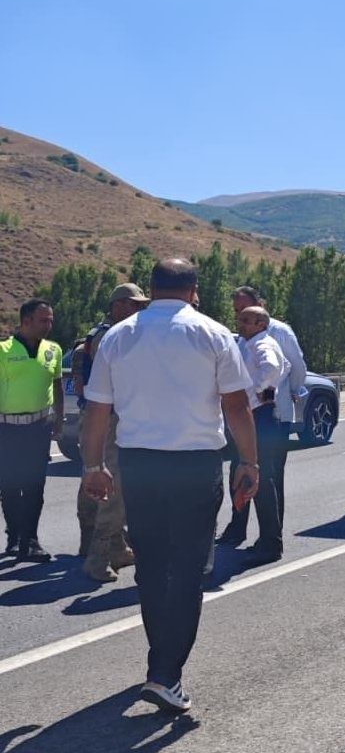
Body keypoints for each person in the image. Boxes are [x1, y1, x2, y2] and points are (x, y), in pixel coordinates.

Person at [82, 259, 258, 714]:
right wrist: (249, 462)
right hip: (195, 467)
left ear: (153, 290)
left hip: (139, 467)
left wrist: (93, 465)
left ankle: (161, 664)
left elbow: (97, 410)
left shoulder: (118, 337)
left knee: (152, 568)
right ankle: (165, 673)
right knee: (189, 571)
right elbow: (237, 407)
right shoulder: (214, 334)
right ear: (193, 290)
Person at [216, 285, 307, 547]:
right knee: (240, 470)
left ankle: (271, 537)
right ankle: (237, 528)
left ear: (260, 308)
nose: (239, 318)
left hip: (271, 413)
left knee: (268, 477)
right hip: (245, 418)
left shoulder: (277, 332)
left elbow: (295, 366)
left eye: (244, 311)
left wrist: (286, 391)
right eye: (236, 312)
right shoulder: (244, 337)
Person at [74, 283, 149, 582]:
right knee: (112, 487)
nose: (140, 310)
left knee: (94, 480)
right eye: (135, 304)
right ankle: (98, 556)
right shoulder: (113, 336)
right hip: (110, 419)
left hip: (101, 418)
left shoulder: (100, 333)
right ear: (118, 306)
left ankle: (111, 546)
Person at [0, 298, 64, 562]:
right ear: (26, 320)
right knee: (11, 485)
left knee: (36, 485)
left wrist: (59, 420)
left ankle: (32, 539)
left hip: (39, 428)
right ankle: (14, 538)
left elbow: (57, 385)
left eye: (50, 320)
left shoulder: (54, 350)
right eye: (43, 320)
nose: (49, 325)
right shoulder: (3, 350)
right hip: (7, 429)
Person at [231, 306, 289, 564]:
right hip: (262, 416)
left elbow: (273, 367)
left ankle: (271, 545)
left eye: (246, 321)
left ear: (261, 324)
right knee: (260, 482)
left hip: (261, 418)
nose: (240, 324)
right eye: (240, 319)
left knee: (262, 483)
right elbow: (284, 365)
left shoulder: (261, 344)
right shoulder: (250, 343)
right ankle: (268, 541)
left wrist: (256, 394)